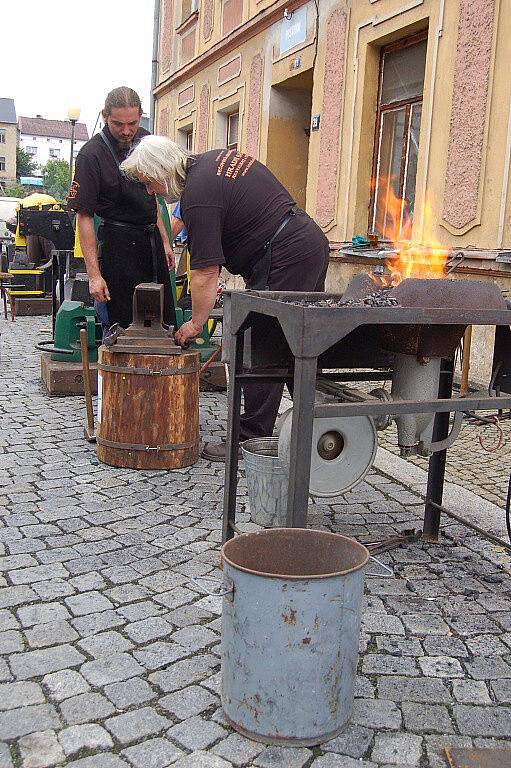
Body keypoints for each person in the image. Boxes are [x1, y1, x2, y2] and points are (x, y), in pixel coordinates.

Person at [121, 136, 329, 461]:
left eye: (149, 183)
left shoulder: (198, 194)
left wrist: (196, 323)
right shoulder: (209, 164)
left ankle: (248, 440)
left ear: (161, 172)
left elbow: (204, 272)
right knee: (294, 345)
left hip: (288, 253)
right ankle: (313, 425)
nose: (150, 191)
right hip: (301, 243)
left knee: (263, 347)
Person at [67, 87, 176, 331]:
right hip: (118, 248)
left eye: (132, 123)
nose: (126, 131)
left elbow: (154, 197)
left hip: (151, 245)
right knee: (121, 327)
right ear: (105, 116)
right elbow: (84, 217)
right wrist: (94, 276)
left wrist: (165, 241)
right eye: (118, 124)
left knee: (163, 323)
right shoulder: (91, 155)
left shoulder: (146, 140)